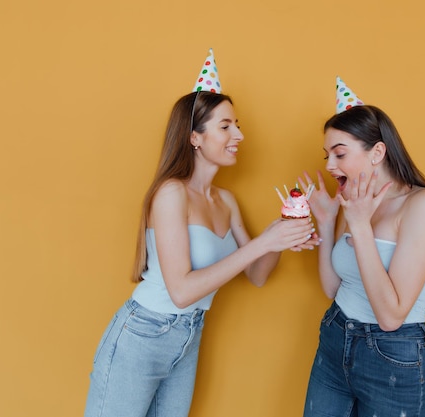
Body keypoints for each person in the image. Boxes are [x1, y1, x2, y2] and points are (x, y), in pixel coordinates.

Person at [84, 49, 316, 417]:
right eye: (226, 126)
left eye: (236, 124)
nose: (239, 134)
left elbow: (257, 275)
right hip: (144, 333)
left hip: (189, 335)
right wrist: (264, 242)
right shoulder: (171, 194)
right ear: (194, 137)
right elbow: (181, 291)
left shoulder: (226, 200)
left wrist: (283, 233)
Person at [300, 77, 425, 417]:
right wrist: (326, 222)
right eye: (327, 155)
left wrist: (360, 226)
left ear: (377, 152)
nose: (329, 166)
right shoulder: (354, 200)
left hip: (392, 357)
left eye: (339, 154)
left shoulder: (424, 205)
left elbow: (391, 315)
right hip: (335, 337)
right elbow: (334, 288)